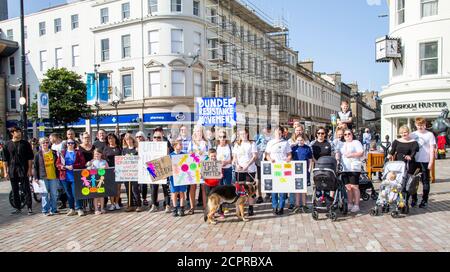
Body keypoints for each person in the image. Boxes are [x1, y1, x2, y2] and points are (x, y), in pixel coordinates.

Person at [2, 127, 35, 215]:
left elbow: (30, 158)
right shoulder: (7, 144)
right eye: (17, 132)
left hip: (23, 169)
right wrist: (5, 172)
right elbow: (5, 160)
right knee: (15, 190)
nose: (19, 133)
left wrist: (29, 169)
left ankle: (29, 208)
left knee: (26, 189)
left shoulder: (25, 143)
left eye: (20, 131)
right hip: (12, 170)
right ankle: (18, 208)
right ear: (12, 133)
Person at [387, 125, 419, 213]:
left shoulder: (413, 142)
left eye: (405, 132)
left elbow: (414, 152)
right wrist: (389, 155)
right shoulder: (396, 141)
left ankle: (407, 200)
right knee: (399, 183)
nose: (404, 134)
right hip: (398, 165)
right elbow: (392, 150)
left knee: (408, 184)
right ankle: (400, 201)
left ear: (408, 132)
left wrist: (410, 156)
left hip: (409, 164)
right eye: (402, 132)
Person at [335, 129, 364, 213]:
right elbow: (338, 152)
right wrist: (337, 158)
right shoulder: (342, 144)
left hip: (354, 168)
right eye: (345, 134)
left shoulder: (356, 142)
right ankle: (350, 203)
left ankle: (356, 204)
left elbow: (361, 152)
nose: (347, 135)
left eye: (349, 134)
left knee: (354, 186)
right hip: (344, 168)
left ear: (352, 134)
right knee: (348, 187)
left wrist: (351, 155)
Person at [265, 126, 292, 215]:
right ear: (274, 133)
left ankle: (281, 207)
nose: (278, 133)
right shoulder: (270, 142)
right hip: (274, 168)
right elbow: (267, 155)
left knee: (282, 188)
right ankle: (274, 206)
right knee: (274, 189)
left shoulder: (286, 142)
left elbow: (289, 154)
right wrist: (270, 160)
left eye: (280, 132)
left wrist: (288, 159)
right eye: (277, 132)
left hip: (283, 168)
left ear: (282, 133)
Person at [410, 117, 436, 208]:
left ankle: (424, 200)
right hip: (414, 161)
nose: (420, 127)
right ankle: (414, 198)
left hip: (425, 161)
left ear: (425, 125)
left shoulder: (430, 135)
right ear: (416, 125)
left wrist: (431, 161)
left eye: (422, 125)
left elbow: (432, 149)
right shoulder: (412, 134)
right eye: (418, 125)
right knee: (413, 181)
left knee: (425, 181)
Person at [56, 139, 86, 216]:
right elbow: (57, 164)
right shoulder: (62, 153)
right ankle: (72, 209)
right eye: (68, 143)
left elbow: (82, 163)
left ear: (74, 144)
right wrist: (64, 167)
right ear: (66, 144)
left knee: (76, 193)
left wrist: (73, 166)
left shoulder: (78, 153)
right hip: (64, 176)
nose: (70, 144)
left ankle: (79, 208)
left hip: (75, 176)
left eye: (72, 143)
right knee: (68, 194)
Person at [233, 128, 257, 216]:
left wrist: (247, 165)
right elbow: (235, 157)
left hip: (250, 169)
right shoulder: (237, 144)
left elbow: (254, 156)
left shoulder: (252, 143)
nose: (242, 135)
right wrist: (237, 165)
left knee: (249, 189)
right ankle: (240, 207)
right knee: (240, 189)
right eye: (240, 134)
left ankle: (251, 207)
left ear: (247, 134)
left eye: (244, 133)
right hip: (239, 170)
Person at [33, 137, 59, 216]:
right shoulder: (38, 154)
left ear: (49, 143)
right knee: (44, 195)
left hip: (53, 176)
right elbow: (35, 167)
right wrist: (36, 177)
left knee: (54, 194)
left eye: (47, 142)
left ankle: (53, 209)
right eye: (43, 143)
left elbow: (58, 164)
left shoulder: (54, 153)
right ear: (40, 144)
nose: (45, 144)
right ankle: (45, 210)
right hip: (43, 177)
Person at [187, 125, 210, 214]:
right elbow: (188, 154)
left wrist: (204, 153)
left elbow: (210, 154)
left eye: (199, 131)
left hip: (204, 166)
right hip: (193, 167)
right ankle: (192, 207)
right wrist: (193, 154)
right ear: (194, 132)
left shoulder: (207, 142)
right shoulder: (191, 143)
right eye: (196, 131)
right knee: (192, 187)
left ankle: (205, 207)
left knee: (204, 188)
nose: (198, 133)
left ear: (202, 132)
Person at [148, 129, 171, 213]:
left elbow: (169, 157)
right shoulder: (149, 147)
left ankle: (167, 205)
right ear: (152, 138)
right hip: (152, 166)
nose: (156, 139)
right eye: (155, 137)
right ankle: (154, 205)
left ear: (162, 138)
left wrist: (167, 151)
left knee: (166, 187)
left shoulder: (166, 146)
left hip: (164, 165)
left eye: (158, 137)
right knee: (153, 188)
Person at [122, 133, 143, 212]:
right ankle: (130, 205)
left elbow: (140, 159)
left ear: (132, 139)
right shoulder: (124, 150)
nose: (128, 141)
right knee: (128, 189)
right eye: (126, 140)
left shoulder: (136, 149)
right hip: (126, 172)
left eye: (129, 139)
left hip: (135, 172)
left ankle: (138, 205)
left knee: (135, 189)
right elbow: (121, 161)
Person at [290, 135, 312, 213]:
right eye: (298, 140)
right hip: (296, 171)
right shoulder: (294, 148)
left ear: (304, 140)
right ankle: (297, 205)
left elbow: (310, 160)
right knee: (297, 188)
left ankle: (304, 204)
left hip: (305, 171)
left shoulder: (307, 148)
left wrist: (309, 170)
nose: (300, 141)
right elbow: (291, 158)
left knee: (303, 189)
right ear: (296, 140)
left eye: (301, 140)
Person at [103, 133, 122, 211]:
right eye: (109, 138)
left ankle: (117, 203)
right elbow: (103, 159)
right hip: (110, 171)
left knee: (118, 188)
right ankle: (112, 204)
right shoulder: (106, 148)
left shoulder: (119, 148)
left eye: (112, 138)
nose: (111, 139)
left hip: (118, 170)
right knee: (111, 188)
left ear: (115, 139)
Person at [169, 140, 188, 217]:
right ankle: (175, 208)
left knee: (182, 192)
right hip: (173, 177)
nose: (181, 145)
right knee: (174, 193)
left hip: (182, 176)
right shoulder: (170, 155)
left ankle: (181, 208)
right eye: (179, 144)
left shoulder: (184, 155)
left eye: (181, 144)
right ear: (174, 146)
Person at [203, 148, 224, 218]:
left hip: (216, 184)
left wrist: (221, 175)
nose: (213, 157)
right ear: (208, 155)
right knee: (209, 199)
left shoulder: (218, 163)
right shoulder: (205, 163)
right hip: (208, 184)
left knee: (219, 198)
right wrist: (201, 176)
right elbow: (202, 173)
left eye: (214, 156)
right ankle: (211, 213)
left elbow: (221, 173)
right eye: (212, 156)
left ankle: (220, 212)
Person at [87, 148, 108, 215]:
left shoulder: (104, 161)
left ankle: (102, 208)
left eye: (98, 154)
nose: (97, 155)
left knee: (101, 195)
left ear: (101, 154)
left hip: (102, 181)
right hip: (93, 181)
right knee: (95, 196)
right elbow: (87, 169)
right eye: (95, 154)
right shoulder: (91, 161)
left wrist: (105, 167)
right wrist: (89, 167)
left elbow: (108, 169)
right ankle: (96, 209)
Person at [255, 126, 272, 203]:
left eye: (267, 129)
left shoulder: (272, 138)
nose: (264, 130)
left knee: (269, 177)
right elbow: (255, 147)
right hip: (260, 160)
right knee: (259, 179)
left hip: (269, 160)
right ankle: (259, 196)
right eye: (264, 128)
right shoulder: (258, 137)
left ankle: (269, 194)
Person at [135, 131, 149, 206]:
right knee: (136, 185)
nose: (138, 138)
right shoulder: (134, 146)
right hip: (136, 167)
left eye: (140, 136)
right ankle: (137, 199)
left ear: (143, 137)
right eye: (137, 137)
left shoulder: (148, 145)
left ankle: (144, 198)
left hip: (146, 167)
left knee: (144, 184)